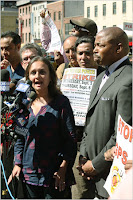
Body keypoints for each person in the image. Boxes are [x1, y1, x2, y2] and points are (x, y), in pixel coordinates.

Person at [8, 56, 77, 199]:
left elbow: (70, 140)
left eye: (42, 72)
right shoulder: (23, 103)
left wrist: (63, 169)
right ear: (28, 78)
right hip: (28, 173)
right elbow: (20, 135)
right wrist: (17, 164)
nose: (37, 76)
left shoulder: (61, 103)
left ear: (51, 77)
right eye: (33, 73)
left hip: (54, 174)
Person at [78, 27, 132, 199]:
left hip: (109, 177)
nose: (94, 50)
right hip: (90, 172)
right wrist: (84, 156)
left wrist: (95, 165)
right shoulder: (101, 77)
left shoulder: (128, 81)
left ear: (118, 48)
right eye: (95, 45)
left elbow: (121, 135)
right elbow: (90, 121)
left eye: (100, 45)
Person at [71, 36, 105, 199]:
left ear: (95, 53)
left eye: (87, 53)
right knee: (81, 193)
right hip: (78, 145)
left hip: (101, 146)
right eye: (80, 54)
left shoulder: (106, 76)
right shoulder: (69, 75)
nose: (83, 58)